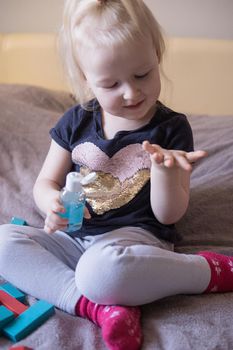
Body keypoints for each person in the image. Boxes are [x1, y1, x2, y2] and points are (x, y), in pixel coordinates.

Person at [0, 1, 233, 349]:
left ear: (157, 55)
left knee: (100, 272)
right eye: (111, 84)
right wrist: (51, 202)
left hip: (133, 241)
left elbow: (169, 216)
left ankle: (206, 271)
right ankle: (95, 306)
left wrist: (165, 173)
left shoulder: (170, 129)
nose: (131, 92)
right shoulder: (75, 121)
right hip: (74, 239)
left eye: (142, 75)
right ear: (86, 80)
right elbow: (45, 182)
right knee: (4, 242)